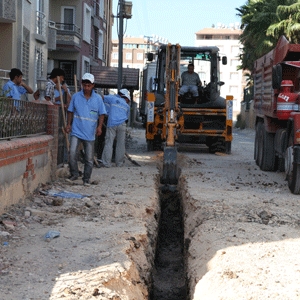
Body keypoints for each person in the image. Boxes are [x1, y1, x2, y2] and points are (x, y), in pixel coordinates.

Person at [65, 73, 106, 186]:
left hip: (90, 133)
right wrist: (68, 124)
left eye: (89, 85)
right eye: (85, 85)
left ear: (93, 85)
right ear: (82, 84)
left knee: (89, 158)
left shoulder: (98, 99)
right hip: (76, 131)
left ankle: (86, 178)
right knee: (72, 153)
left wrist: (99, 127)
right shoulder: (76, 97)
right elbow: (70, 111)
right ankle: (74, 174)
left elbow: (101, 114)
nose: (86, 88)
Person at [101, 89, 131, 168]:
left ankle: (106, 163)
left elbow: (101, 97)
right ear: (126, 98)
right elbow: (126, 119)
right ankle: (119, 163)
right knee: (120, 144)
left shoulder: (113, 98)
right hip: (122, 125)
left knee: (109, 143)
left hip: (112, 123)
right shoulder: (127, 106)